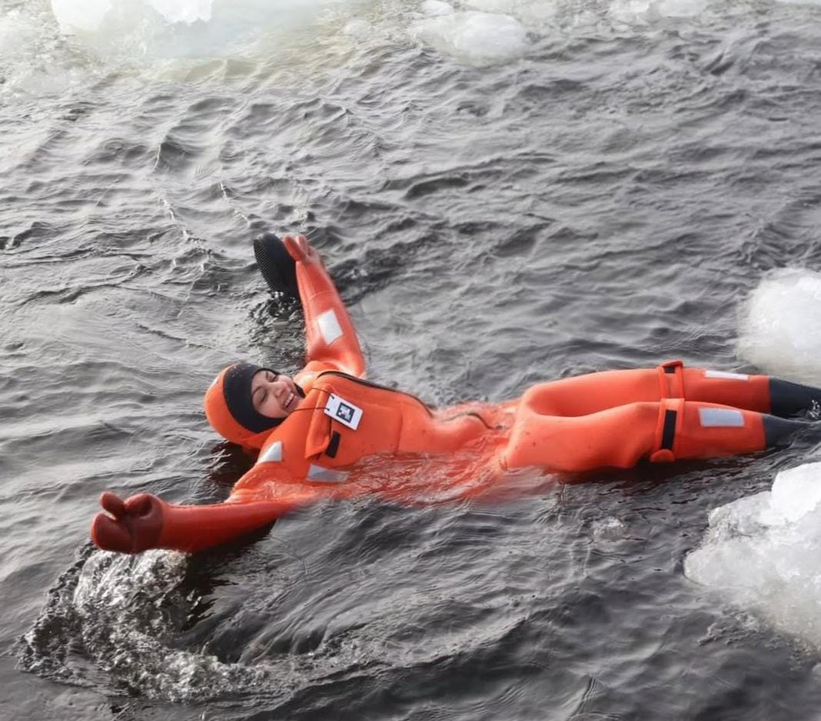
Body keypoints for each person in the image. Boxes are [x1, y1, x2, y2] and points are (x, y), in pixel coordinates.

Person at [91, 233, 821, 555]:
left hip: (499, 416)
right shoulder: (283, 459)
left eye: (266, 374)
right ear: (251, 424)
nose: (275, 384)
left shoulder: (321, 378)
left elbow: (328, 334)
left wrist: (302, 268)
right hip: (485, 470)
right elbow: (237, 515)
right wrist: (161, 528)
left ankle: (810, 402)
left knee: (654, 378)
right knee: (639, 420)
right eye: (260, 393)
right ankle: (809, 442)